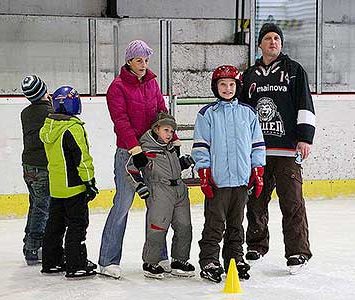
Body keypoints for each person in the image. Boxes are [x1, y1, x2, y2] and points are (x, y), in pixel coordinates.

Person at [99, 40, 180, 279]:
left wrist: (172, 138)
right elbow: (121, 121)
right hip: (129, 154)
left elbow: (161, 112)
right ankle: (107, 260)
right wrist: (135, 149)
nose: (143, 65)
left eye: (146, 60)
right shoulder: (117, 87)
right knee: (123, 204)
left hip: (154, 152)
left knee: (157, 205)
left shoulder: (152, 83)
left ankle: (157, 255)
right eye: (138, 60)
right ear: (129, 61)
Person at [239, 23, 316, 275]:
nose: (273, 42)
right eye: (268, 38)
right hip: (258, 150)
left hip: (286, 151)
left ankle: (298, 251)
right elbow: (241, 112)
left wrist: (305, 138)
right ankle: (256, 244)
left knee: (292, 202)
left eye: (277, 38)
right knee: (256, 201)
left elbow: (305, 104)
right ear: (260, 44)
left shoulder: (294, 71)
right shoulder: (248, 75)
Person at [192, 65, 266, 283]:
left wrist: (257, 170)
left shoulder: (248, 113)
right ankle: (209, 260)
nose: (227, 88)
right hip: (218, 180)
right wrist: (204, 171)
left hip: (241, 180)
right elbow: (200, 145)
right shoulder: (207, 114)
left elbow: (257, 144)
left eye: (231, 84)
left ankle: (234, 259)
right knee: (214, 223)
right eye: (222, 84)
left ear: (238, 86)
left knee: (236, 223)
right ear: (216, 87)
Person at [126, 112, 195, 279]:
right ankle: (150, 262)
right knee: (158, 227)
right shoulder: (145, 151)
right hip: (159, 191)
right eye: (166, 130)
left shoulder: (171, 148)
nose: (169, 134)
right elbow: (130, 170)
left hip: (179, 190)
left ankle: (179, 260)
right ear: (156, 129)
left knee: (184, 226)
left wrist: (182, 163)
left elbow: (170, 167)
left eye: (172, 131)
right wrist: (140, 185)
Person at [39, 86, 99, 279]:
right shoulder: (73, 128)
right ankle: (76, 264)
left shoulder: (49, 126)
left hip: (56, 186)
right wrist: (89, 181)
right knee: (77, 224)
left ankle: (52, 261)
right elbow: (82, 158)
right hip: (74, 186)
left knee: (54, 224)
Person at [20, 75, 53, 265]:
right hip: (42, 167)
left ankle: (28, 243)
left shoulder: (26, 113)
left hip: (28, 166)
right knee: (42, 207)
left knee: (34, 205)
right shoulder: (49, 112)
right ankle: (34, 247)